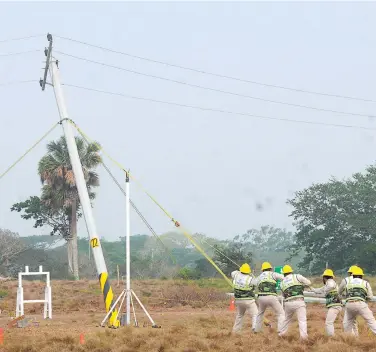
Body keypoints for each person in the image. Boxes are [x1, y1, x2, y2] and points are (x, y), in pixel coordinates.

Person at [338, 266, 376, 335]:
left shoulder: (348, 282)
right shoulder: (365, 282)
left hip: (349, 304)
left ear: (352, 275)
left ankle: (350, 340)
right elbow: (370, 297)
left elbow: (342, 293)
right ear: (361, 275)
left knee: (347, 324)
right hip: (360, 304)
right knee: (371, 321)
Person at [278, 264, 311, 340]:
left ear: (284, 273)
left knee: (286, 319)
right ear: (291, 271)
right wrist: (302, 286)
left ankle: (281, 334)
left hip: (288, 303)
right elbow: (309, 283)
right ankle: (303, 338)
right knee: (302, 320)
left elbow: (283, 294)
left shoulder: (282, 283)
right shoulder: (297, 276)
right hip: (299, 301)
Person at [309, 269, 342, 336]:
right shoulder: (328, 284)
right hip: (335, 306)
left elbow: (330, 286)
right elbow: (318, 290)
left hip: (335, 306)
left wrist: (325, 290)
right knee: (329, 322)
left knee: (328, 323)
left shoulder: (330, 282)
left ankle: (332, 338)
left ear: (324, 277)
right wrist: (310, 288)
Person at [254, 261, 284, 333]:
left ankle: (257, 330)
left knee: (260, 314)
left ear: (263, 269)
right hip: (271, 296)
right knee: (281, 313)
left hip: (261, 297)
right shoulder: (273, 274)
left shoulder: (260, 276)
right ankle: (280, 330)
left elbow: (254, 283)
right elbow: (284, 278)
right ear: (270, 269)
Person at [231, 263, 258, 333]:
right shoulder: (250, 279)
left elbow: (233, 272)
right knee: (255, 314)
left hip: (238, 300)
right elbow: (257, 283)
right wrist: (252, 274)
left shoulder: (236, 275)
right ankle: (255, 328)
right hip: (249, 300)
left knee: (240, 315)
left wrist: (239, 270)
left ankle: (236, 330)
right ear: (248, 271)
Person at [339, 265, 359, 335]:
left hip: (350, 303)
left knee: (346, 322)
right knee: (353, 322)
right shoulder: (361, 281)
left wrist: (341, 296)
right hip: (360, 303)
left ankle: (352, 339)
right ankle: (357, 338)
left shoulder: (346, 280)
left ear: (350, 273)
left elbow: (340, 291)